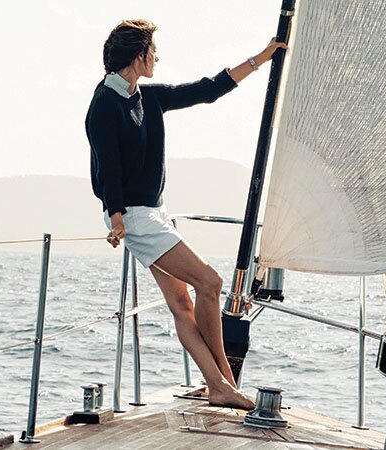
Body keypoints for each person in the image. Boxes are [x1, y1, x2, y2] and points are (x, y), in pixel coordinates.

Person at [86, 19, 285, 410]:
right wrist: (117, 217)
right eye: (154, 51)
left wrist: (260, 58)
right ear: (139, 55)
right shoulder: (103, 105)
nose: (157, 57)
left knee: (183, 305)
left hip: (154, 213)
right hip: (133, 216)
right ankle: (225, 381)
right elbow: (106, 165)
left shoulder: (148, 97)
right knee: (209, 282)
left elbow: (207, 90)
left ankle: (218, 385)